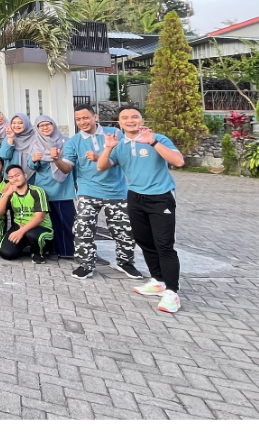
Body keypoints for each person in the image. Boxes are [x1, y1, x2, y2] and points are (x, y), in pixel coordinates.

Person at [98, 107, 186, 314]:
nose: (130, 120)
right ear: (119, 122)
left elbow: (179, 161)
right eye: (125, 118)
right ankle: (158, 280)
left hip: (161, 197)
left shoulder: (158, 138)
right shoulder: (120, 145)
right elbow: (101, 166)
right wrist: (108, 148)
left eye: (134, 116)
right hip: (135, 197)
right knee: (144, 241)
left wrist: (153, 142)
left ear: (141, 119)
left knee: (164, 244)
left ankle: (172, 291)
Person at [55, 107, 141, 281]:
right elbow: (67, 168)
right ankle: (86, 264)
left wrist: (99, 156)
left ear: (95, 116)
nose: (82, 122)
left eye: (85, 117)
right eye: (78, 119)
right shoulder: (73, 142)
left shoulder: (114, 133)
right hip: (88, 189)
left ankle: (125, 262)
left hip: (116, 190)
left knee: (125, 229)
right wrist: (56, 159)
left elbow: (123, 158)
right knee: (82, 227)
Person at [27, 115, 77, 259]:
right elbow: (32, 167)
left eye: (47, 124)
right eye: (41, 126)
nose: (45, 128)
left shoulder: (66, 141)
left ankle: (68, 251)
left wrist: (76, 181)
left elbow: (73, 163)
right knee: (48, 222)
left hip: (63, 186)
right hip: (44, 187)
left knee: (66, 221)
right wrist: (34, 160)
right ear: (37, 128)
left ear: (53, 124)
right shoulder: (35, 143)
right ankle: (52, 250)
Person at [0, 164, 53, 263]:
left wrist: (21, 231)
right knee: (6, 253)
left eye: (17, 175)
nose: (15, 179)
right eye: (11, 177)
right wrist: (6, 194)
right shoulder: (10, 194)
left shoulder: (37, 191)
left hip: (40, 227)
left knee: (32, 235)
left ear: (25, 176)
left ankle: (38, 252)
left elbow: (39, 217)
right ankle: (24, 246)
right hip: (18, 226)